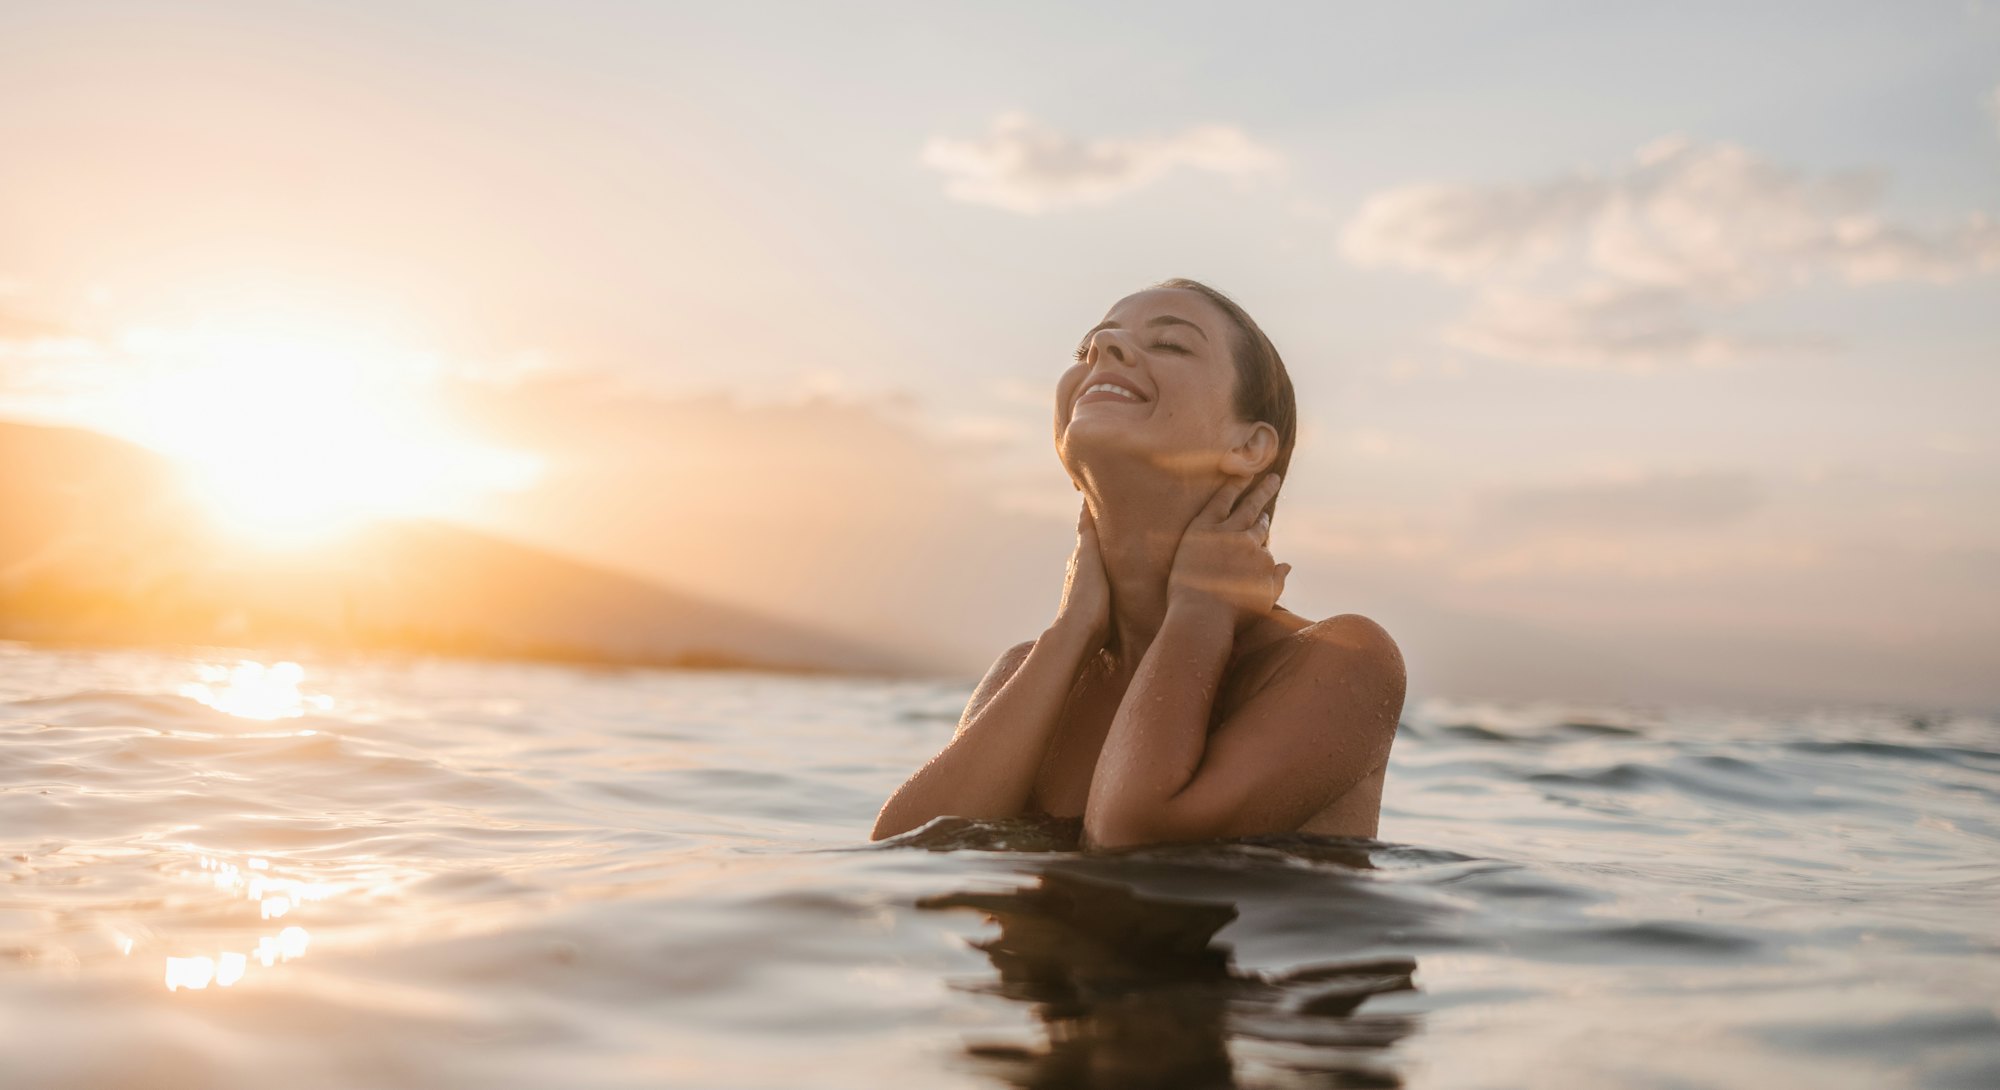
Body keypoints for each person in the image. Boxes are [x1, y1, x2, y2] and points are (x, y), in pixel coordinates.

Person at [871, 279, 1405, 849]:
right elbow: (905, 854)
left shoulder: (1344, 661)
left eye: (1171, 345)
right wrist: (1070, 630)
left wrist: (1201, 607)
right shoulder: (1028, 671)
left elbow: (1132, 839)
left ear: (1249, 446)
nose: (1104, 347)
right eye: (1089, 347)